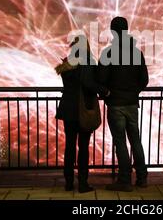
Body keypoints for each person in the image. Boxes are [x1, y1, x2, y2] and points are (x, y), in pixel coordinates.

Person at [98, 17, 149, 192]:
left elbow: (101, 80)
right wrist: (134, 92)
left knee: (120, 142)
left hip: (115, 104)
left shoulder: (108, 53)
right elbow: (144, 80)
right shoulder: (137, 53)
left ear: (113, 32)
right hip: (132, 103)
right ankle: (142, 178)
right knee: (135, 140)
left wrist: (106, 93)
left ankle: (124, 180)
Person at [55, 35, 109, 193]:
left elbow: (69, 85)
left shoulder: (67, 65)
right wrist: (104, 90)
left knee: (69, 146)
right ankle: (83, 183)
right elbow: (88, 83)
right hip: (83, 109)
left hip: (68, 109)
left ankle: (69, 182)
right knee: (83, 147)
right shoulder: (89, 63)